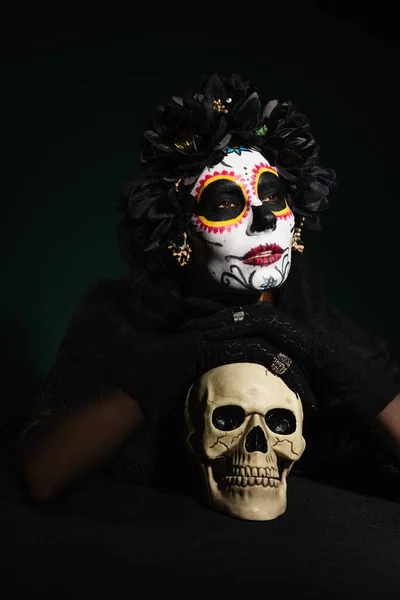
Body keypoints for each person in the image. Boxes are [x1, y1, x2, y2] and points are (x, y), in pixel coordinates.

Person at [3, 72, 400, 506]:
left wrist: (327, 354)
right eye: (226, 203)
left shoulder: (310, 316)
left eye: (273, 197)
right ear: (180, 233)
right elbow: (43, 473)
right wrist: (187, 353)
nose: (264, 219)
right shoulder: (119, 317)